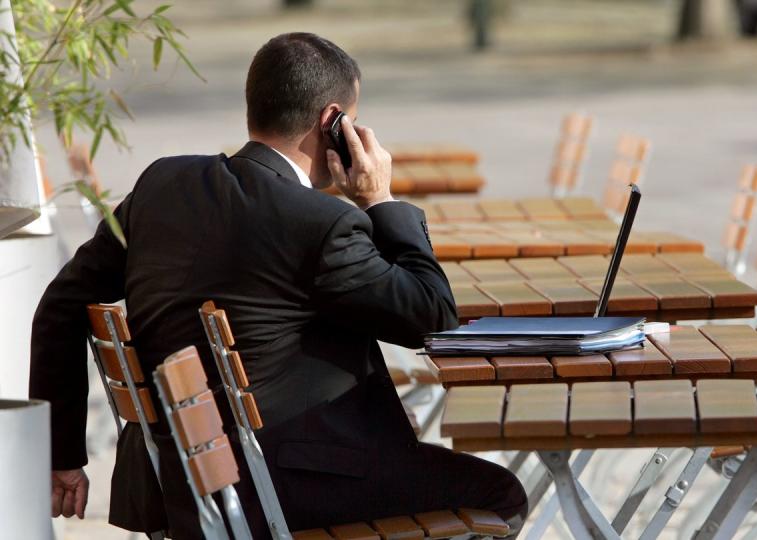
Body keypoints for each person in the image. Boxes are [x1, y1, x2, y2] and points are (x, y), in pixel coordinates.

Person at [30, 32, 527, 538]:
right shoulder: (320, 223)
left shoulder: (163, 184)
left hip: (172, 489)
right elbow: (431, 316)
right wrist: (379, 200)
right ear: (332, 122)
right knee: (500, 494)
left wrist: (62, 453)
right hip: (286, 491)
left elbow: (61, 303)